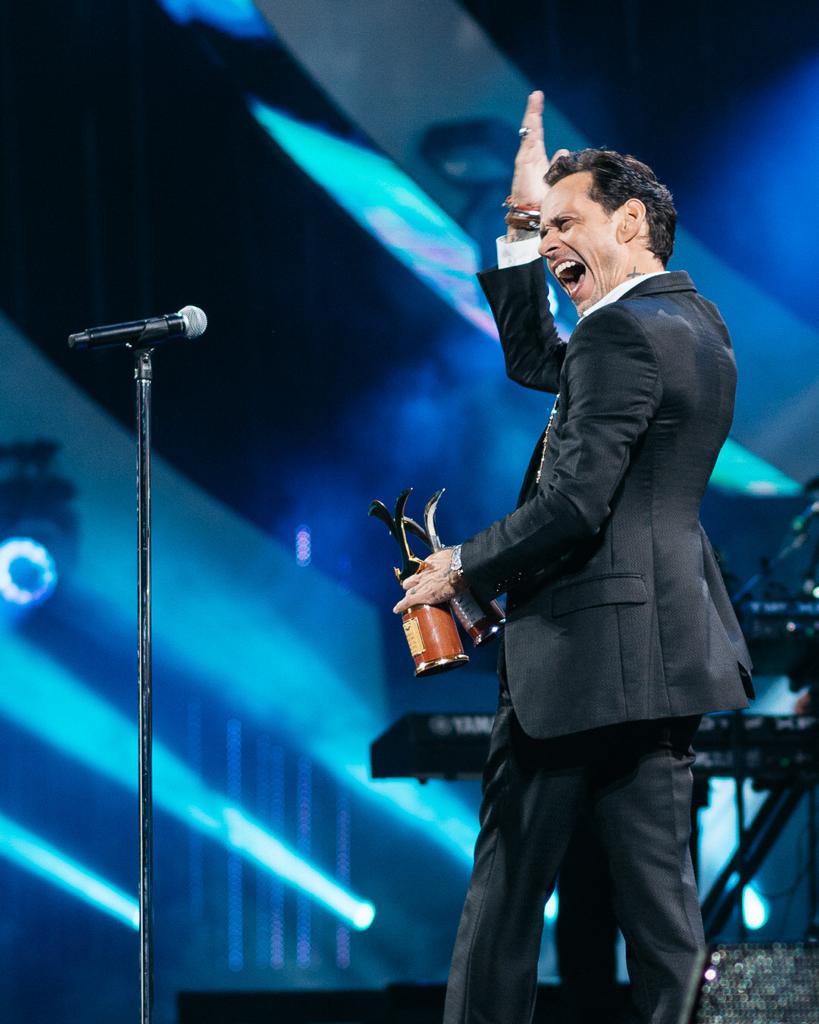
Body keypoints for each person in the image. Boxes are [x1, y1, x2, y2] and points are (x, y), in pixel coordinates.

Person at [392, 91, 754, 1024]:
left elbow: (576, 501)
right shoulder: (695, 325)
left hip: (580, 657)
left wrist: (460, 566)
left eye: (564, 224)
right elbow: (534, 360)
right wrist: (516, 226)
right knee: (663, 914)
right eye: (539, 228)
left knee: (504, 901)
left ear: (629, 220)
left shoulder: (619, 333)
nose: (551, 245)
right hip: (665, 655)